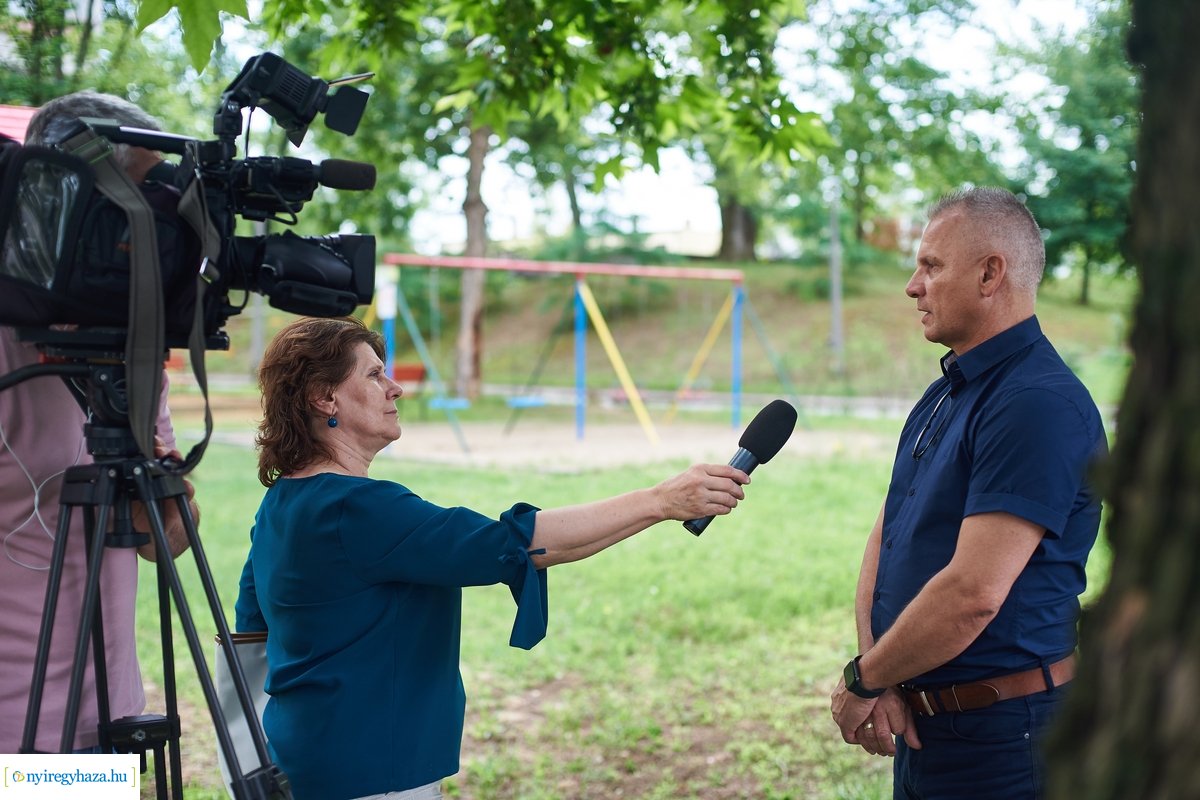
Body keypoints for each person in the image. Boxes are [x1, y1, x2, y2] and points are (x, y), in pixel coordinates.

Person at [235, 316, 750, 800]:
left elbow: (251, 627)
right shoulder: (359, 508)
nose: (394, 388)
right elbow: (519, 543)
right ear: (325, 396)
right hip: (371, 768)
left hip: (296, 757)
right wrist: (660, 501)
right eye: (373, 375)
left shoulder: (279, 504)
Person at [829, 186, 1107, 799]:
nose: (913, 286)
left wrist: (863, 678)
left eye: (931, 266)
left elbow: (973, 594)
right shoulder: (949, 390)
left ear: (989, 274)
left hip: (1007, 736)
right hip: (927, 724)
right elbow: (889, 532)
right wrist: (882, 671)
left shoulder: (1036, 403)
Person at [0, 91, 198, 754]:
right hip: (16, 729)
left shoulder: (132, 352)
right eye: (128, 201)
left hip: (111, 718)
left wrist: (163, 494)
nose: (144, 228)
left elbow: (165, 544)